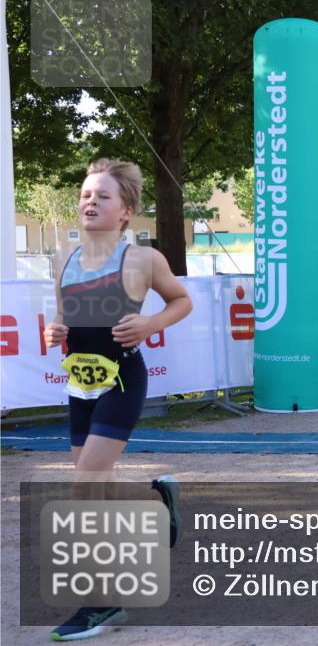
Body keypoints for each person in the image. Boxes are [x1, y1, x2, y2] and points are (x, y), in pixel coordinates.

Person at [45, 159, 192, 641]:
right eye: (86, 194)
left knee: (85, 486)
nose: (91, 202)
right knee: (98, 488)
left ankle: (101, 603)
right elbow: (63, 318)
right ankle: (158, 507)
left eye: (102, 196)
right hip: (79, 387)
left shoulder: (142, 260)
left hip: (122, 383)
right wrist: (55, 331)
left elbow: (181, 301)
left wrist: (150, 324)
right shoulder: (61, 259)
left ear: (126, 210)